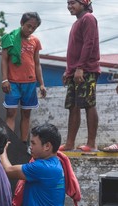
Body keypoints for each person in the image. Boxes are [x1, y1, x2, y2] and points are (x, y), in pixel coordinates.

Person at [0, 123, 68, 206]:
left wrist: (1, 151)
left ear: (47, 146)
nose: (31, 147)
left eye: (34, 143)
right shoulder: (56, 164)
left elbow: (8, 170)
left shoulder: (42, 167)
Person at [1, 12, 47, 147]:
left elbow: (37, 63)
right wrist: (4, 79)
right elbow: (4, 60)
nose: (30, 29)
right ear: (21, 23)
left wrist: (42, 84)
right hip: (13, 82)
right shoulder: (9, 39)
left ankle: (22, 144)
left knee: (26, 114)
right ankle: (7, 144)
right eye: (28, 26)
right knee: (11, 112)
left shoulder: (35, 41)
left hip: (30, 83)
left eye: (34, 27)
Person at [59, 0, 100, 152]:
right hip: (75, 70)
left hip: (86, 69)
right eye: (68, 3)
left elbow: (89, 44)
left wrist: (80, 68)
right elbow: (73, 51)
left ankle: (91, 143)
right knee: (73, 106)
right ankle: (69, 143)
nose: (69, 6)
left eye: (73, 2)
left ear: (83, 3)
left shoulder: (88, 18)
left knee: (88, 104)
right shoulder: (76, 23)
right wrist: (68, 71)